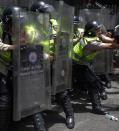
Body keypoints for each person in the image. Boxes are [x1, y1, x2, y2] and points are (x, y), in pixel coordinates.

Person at [72, 20, 119, 115]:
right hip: (78, 65)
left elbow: (112, 41)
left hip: (84, 64)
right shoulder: (90, 43)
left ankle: (96, 104)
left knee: (92, 84)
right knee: (94, 84)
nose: (99, 30)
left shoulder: (95, 35)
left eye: (99, 28)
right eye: (97, 29)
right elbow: (110, 46)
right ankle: (96, 105)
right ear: (91, 31)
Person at [30, 1, 75, 129]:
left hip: (55, 62)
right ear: (36, 15)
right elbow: (29, 47)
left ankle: (70, 115)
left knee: (61, 91)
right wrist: (45, 56)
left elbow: (64, 39)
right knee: (36, 94)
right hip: (37, 64)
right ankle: (40, 126)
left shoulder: (53, 23)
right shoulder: (30, 28)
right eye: (46, 14)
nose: (49, 16)